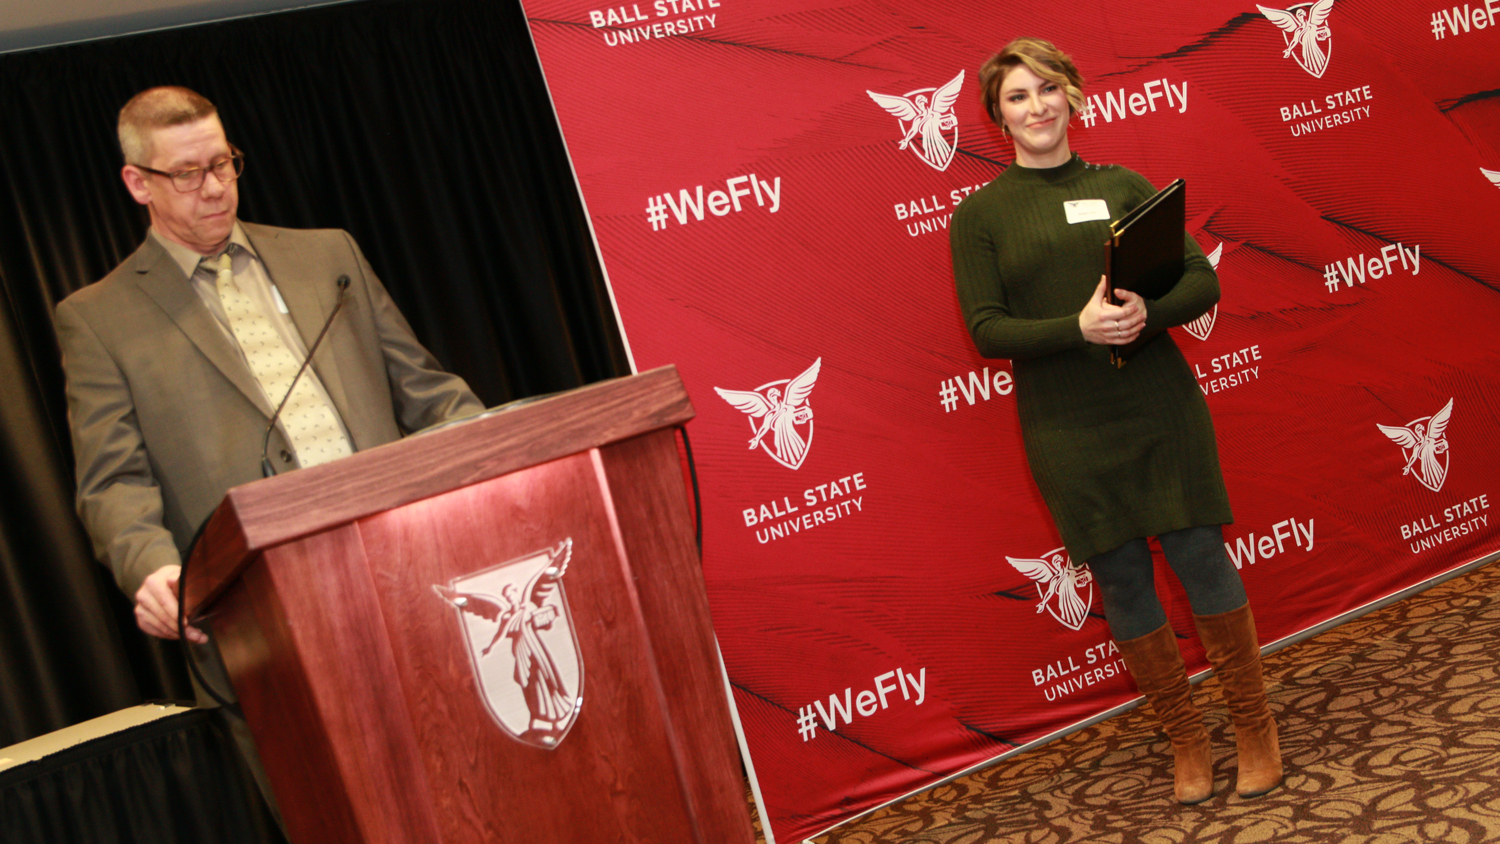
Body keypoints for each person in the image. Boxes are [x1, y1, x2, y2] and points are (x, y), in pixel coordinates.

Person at [55, 85, 484, 814]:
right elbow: (113, 481)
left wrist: (497, 453)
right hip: (267, 628)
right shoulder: (98, 318)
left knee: (481, 790)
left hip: (415, 582)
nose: (215, 188)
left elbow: (429, 394)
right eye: (186, 173)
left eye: (223, 163)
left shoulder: (328, 257)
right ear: (137, 183)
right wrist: (153, 569)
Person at [949, 39, 1282, 804]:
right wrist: (1080, 326)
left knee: (1200, 556)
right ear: (997, 119)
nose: (1035, 108)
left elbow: (1200, 281)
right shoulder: (980, 216)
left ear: (1070, 94)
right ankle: (1189, 746)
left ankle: (1254, 729)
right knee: (1124, 576)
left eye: (1045, 90)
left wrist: (1144, 313)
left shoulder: (1126, 184)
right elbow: (986, 330)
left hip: (1159, 405)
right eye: (1016, 98)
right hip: (1068, 423)